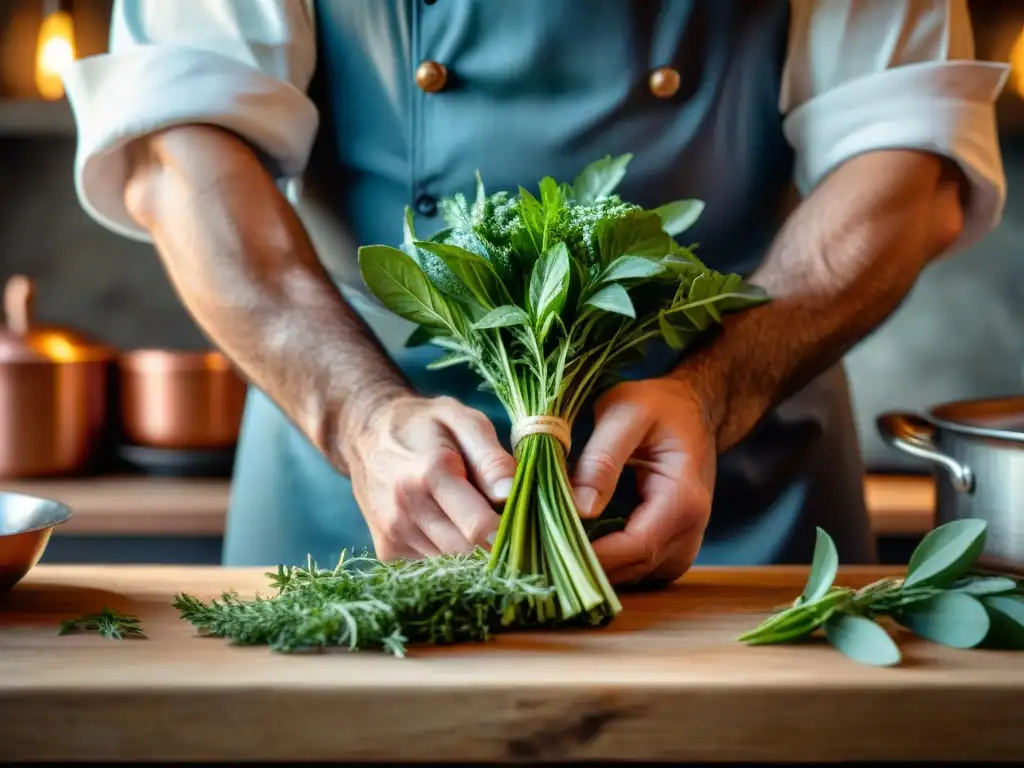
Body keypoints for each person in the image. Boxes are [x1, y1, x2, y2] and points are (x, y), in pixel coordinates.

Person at [63, 0, 1007, 582]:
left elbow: (908, 166)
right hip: (357, 475)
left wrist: (717, 388)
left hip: (738, 481)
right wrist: (358, 419)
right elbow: (174, 154)